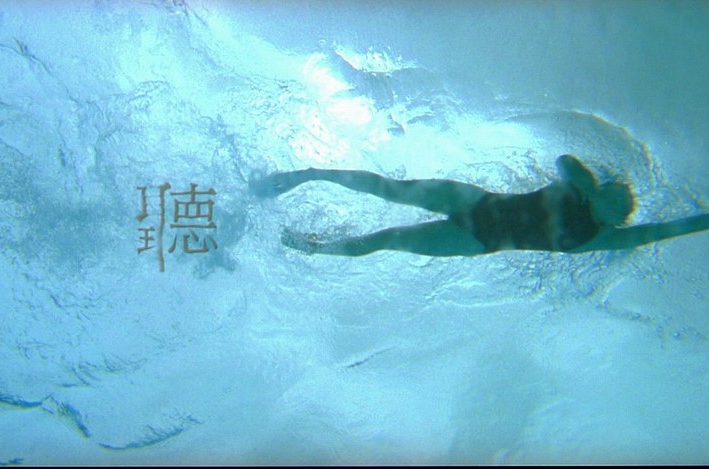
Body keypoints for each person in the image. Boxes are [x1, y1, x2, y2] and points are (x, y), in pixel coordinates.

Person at [250, 154, 709, 257]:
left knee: (386, 240)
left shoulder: (601, 237)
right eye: (621, 197)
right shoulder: (578, 187)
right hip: (476, 201)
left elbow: (662, 231)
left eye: (627, 211)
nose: (625, 210)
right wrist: (590, 187)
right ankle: (308, 174)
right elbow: (564, 161)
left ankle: (309, 246)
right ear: (606, 190)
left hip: (476, 240)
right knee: (391, 188)